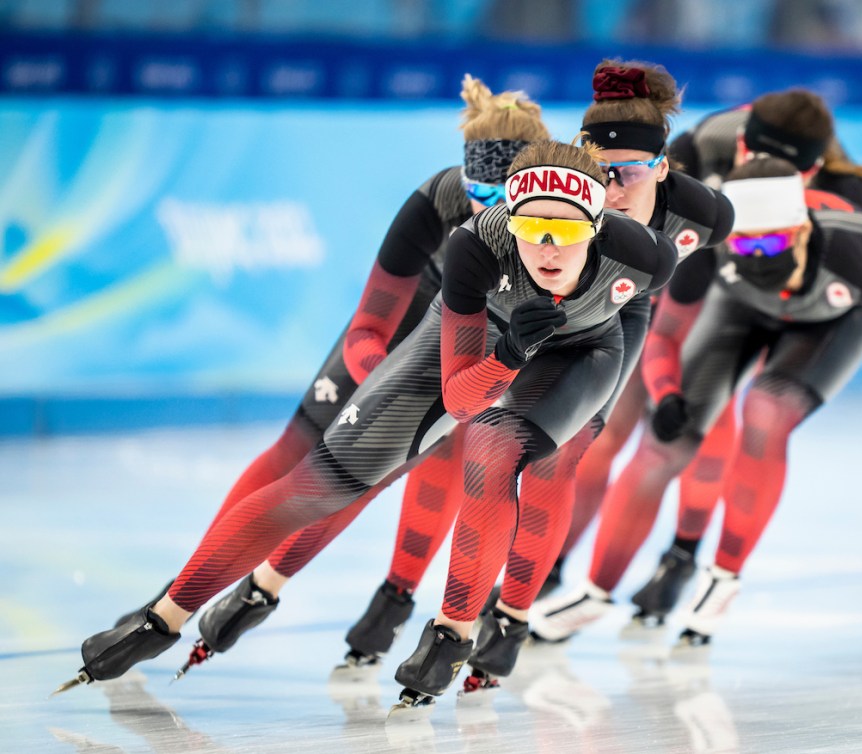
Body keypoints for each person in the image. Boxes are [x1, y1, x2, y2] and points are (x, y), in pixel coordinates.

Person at [60, 140, 681, 707]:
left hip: (587, 348)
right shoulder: (473, 246)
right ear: (508, 223)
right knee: (315, 485)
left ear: (599, 225)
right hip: (487, 337)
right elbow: (460, 399)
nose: (548, 247)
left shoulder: (643, 254)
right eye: (533, 227)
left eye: (566, 228)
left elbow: (650, 298)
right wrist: (509, 356)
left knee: (494, 452)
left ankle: (453, 632)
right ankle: (161, 618)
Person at [106, 75, 551, 675]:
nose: (486, 212)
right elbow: (367, 330)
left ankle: (387, 600)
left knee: (399, 464)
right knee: (307, 453)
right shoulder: (439, 198)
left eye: (503, 199)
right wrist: (381, 381)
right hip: (411, 327)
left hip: (481, 336)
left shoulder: (556, 225)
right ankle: (194, 581)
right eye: (477, 192)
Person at [324, 60, 736, 687]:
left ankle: (512, 617)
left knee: (553, 461)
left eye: (625, 176)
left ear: (662, 168)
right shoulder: (558, 195)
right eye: (598, 176)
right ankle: (407, 601)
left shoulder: (704, 215)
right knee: (461, 444)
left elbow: (731, 274)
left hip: (610, 321)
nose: (610, 192)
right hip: (528, 307)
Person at [530, 155, 862, 646]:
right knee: (663, 442)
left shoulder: (857, 254)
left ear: (802, 230)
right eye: (745, 243)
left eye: (771, 241)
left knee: (765, 410)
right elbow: (665, 336)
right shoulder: (710, 250)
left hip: (829, 324)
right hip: (738, 311)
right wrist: (668, 393)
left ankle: (723, 578)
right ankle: (595, 591)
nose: (757, 255)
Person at [539, 86, 845, 630]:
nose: (766, 168)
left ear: (814, 171)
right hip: (665, 283)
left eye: (785, 171)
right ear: (741, 142)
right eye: (755, 157)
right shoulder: (704, 146)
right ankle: (554, 564)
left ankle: (681, 555)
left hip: (739, 296)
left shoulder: (841, 187)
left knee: (703, 422)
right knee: (608, 433)